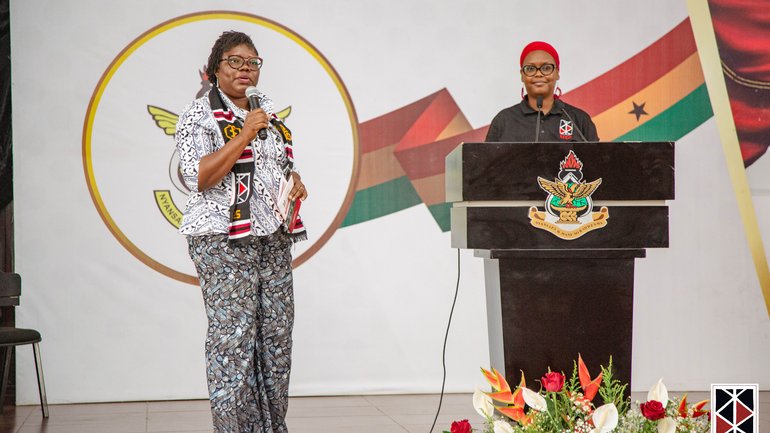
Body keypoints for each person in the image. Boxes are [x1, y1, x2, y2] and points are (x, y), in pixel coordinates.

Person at [175, 30, 307, 433]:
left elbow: (274, 169)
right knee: (233, 339)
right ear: (215, 69)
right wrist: (245, 134)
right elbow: (200, 176)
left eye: (252, 62)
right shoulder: (197, 115)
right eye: (234, 61)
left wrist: (295, 179)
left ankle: (270, 427)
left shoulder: (271, 116)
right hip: (220, 238)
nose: (245, 69)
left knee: (276, 335)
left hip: (271, 238)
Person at [486, 41, 599, 142]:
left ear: (557, 73)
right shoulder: (504, 120)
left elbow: (597, 162)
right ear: (522, 75)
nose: (538, 74)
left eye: (546, 68)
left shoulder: (579, 119)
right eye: (530, 69)